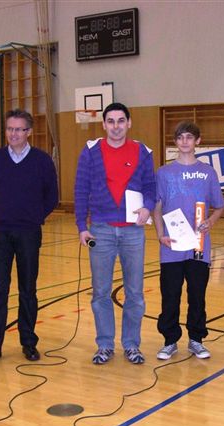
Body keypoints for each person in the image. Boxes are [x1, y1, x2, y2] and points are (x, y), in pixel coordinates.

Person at [0, 109, 58, 366]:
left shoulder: (42, 160)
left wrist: (33, 217)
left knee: (28, 290)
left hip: (28, 233)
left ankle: (28, 342)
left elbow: (52, 196)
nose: (13, 134)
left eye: (19, 129)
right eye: (10, 129)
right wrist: (5, 213)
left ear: (28, 132)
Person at [74, 102, 156, 365]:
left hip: (133, 232)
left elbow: (151, 188)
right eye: (111, 121)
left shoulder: (142, 152)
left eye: (121, 121)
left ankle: (131, 345)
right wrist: (82, 226)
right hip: (100, 231)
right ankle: (105, 345)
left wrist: (148, 207)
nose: (116, 126)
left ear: (129, 123)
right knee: (100, 292)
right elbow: (81, 189)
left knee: (135, 293)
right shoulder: (90, 152)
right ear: (104, 124)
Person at [153, 121, 224, 360]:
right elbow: (157, 207)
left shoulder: (208, 172)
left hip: (198, 246)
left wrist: (211, 221)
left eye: (189, 137)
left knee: (197, 295)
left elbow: (220, 206)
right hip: (171, 246)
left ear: (197, 141)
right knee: (170, 295)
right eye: (180, 137)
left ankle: (196, 339)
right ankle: (169, 340)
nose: (184, 141)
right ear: (175, 141)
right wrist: (160, 234)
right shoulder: (163, 173)